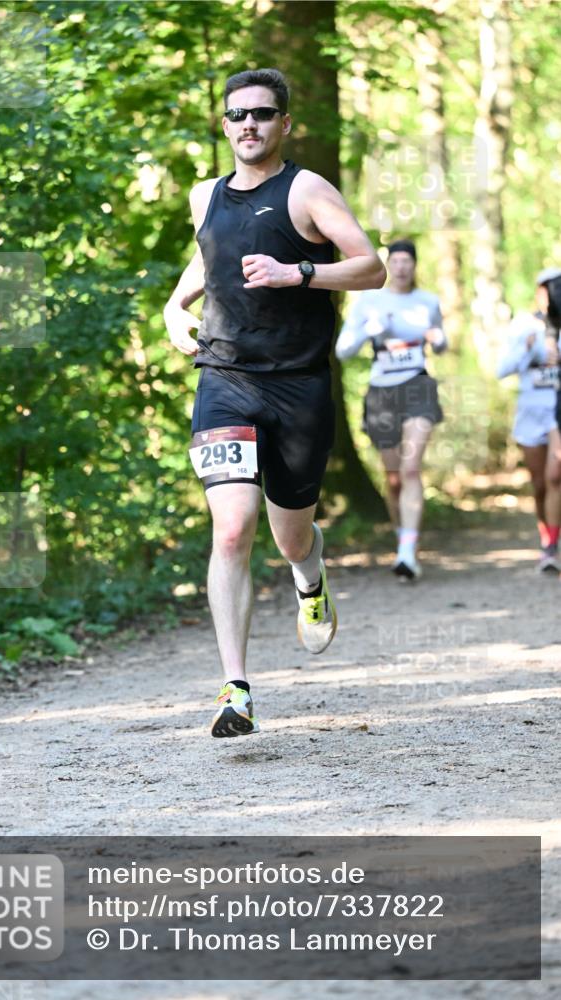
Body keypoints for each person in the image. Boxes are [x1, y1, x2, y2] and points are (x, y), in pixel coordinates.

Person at [163, 68, 385, 738]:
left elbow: (370, 267)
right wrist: (176, 308)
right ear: (224, 124)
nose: (249, 125)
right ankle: (235, 690)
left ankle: (309, 575)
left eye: (262, 114)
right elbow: (209, 259)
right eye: (237, 115)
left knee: (289, 534)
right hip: (224, 377)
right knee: (230, 527)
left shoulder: (307, 190)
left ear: (284, 123)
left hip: (299, 384)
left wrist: (300, 273)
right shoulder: (206, 194)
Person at [335, 239, 446, 579]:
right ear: (387, 264)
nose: (401, 267)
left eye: (407, 261)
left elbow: (442, 341)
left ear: (414, 265)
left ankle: (408, 553)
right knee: (395, 478)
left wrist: (438, 339)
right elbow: (342, 351)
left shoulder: (428, 301)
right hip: (382, 392)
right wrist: (371, 329)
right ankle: (402, 539)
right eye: (395, 261)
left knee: (411, 469)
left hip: (417, 386)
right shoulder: (369, 301)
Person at [497, 268, 561, 573]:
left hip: (557, 415)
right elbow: (502, 369)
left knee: (555, 476)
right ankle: (546, 538)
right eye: (549, 288)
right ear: (539, 292)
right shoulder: (523, 325)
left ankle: (551, 547)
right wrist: (526, 348)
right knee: (539, 485)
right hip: (530, 414)